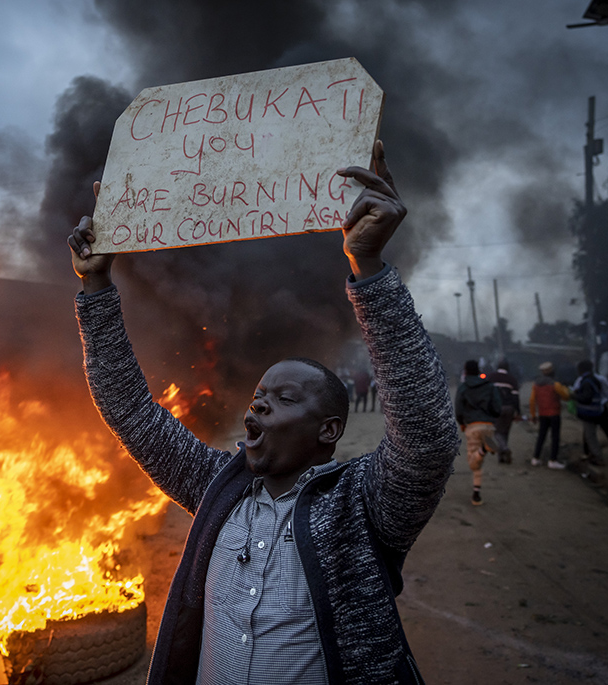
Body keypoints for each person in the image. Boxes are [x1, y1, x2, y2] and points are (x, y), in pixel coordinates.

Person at [69, 141, 458, 683]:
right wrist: (96, 287)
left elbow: (427, 438)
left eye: (283, 399)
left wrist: (368, 269)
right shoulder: (217, 489)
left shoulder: (361, 508)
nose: (257, 405)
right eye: (257, 397)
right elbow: (131, 410)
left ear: (327, 431)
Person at [455, 359, 501, 506]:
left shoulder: (463, 387)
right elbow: (497, 407)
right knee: (479, 463)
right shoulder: (490, 386)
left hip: (472, 426)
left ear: (465, 371)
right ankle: (476, 494)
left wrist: (462, 422)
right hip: (488, 425)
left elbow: (458, 408)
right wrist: (491, 417)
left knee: (473, 463)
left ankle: (483, 449)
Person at [572, 360, 608, 466]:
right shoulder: (585, 379)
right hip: (597, 408)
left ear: (581, 370)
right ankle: (589, 453)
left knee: (594, 433)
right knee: (592, 432)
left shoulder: (594, 379)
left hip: (596, 409)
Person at [529, 362, 570, 470]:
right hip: (554, 413)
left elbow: (532, 400)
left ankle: (535, 458)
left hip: (542, 414)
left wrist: (533, 414)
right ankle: (553, 460)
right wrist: (565, 388)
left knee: (541, 436)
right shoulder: (555, 384)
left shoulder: (536, 384)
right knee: (555, 437)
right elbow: (566, 396)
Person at [487, 359, 519, 464]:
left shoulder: (491, 377)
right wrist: (518, 411)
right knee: (505, 431)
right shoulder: (512, 379)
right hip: (509, 408)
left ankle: (504, 449)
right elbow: (515, 397)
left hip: (496, 408)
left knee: (496, 431)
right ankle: (501, 457)